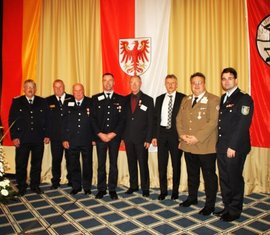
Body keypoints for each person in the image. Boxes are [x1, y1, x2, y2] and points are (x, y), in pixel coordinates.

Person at [176, 72, 219, 216]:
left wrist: (196, 138)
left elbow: (212, 122)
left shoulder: (213, 100)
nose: (196, 86)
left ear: (204, 84)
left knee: (209, 177)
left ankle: (210, 205)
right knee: (192, 174)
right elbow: (179, 120)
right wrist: (182, 135)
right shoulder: (186, 100)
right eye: (194, 83)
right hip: (188, 145)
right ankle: (192, 197)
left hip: (205, 146)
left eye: (199, 82)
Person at [215, 67, 254, 222]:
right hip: (222, 146)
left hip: (234, 148)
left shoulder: (244, 99)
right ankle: (227, 206)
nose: (226, 81)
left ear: (236, 80)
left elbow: (243, 125)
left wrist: (233, 146)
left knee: (234, 179)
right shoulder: (223, 97)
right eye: (224, 78)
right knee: (224, 178)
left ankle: (235, 210)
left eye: (230, 78)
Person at [8, 79, 50, 196]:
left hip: (38, 138)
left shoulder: (42, 101)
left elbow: (47, 119)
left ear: (35, 89)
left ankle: (34, 185)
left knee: (36, 164)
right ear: (24, 89)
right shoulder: (17, 102)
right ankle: (21, 186)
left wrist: (47, 135)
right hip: (22, 139)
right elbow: (11, 120)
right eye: (28, 87)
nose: (30, 89)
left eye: (32, 87)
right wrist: (14, 137)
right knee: (21, 164)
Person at [91, 73, 125, 200]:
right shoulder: (95, 98)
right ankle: (101, 189)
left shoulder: (120, 99)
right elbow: (92, 119)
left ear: (114, 82)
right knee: (101, 164)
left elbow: (122, 120)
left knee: (113, 164)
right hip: (100, 138)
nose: (108, 83)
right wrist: (100, 134)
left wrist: (112, 134)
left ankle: (112, 189)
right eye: (105, 80)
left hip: (114, 138)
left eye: (110, 80)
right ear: (102, 82)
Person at [152, 74, 185, 200]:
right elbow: (155, 119)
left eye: (173, 83)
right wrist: (154, 136)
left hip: (176, 135)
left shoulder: (183, 98)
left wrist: (182, 136)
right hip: (162, 134)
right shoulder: (159, 99)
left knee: (176, 164)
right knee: (162, 164)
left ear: (176, 84)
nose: (170, 85)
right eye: (168, 83)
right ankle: (163, 190)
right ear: (165, 84)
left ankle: (175, 191)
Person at [123, 75, 154, 197]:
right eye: (132, 82)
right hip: (128, 138)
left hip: (142, 139)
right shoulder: (124, 100)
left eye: (136, 82)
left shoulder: (148, 100)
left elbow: (151, 121)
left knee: (143, 163)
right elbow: (122, 120)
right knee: (131, 163)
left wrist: (148, 139)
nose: (134, 85)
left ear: (140, 84)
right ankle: (133, 185)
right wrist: (122, 138)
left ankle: (145, 187)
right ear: (129, 84)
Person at [62, 83, 93, 195]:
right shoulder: (67, 103)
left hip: (87, 139)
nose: (78, 93)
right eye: (75, 91)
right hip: (72, 140)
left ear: (83, 90)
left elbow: (94, 121)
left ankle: (87, 186)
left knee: (87, 164)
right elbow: (64, 122)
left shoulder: (90, 102)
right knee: (73, 164)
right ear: (73, 92)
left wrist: (94, 137)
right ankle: (76, 186)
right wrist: (64, 139)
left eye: (80, 90)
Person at [46, 79, 73, 189]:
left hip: (70, 136)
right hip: (55, 137)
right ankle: (55, 181)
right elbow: (46, 120)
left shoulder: (72, 98)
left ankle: (71, 180)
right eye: (56, 87)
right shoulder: (48, 100)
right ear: (53, 88)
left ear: (64, 87)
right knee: (56, 160)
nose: (58, 89)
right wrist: (47, 134)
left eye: (60, 87)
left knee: (70, 160)